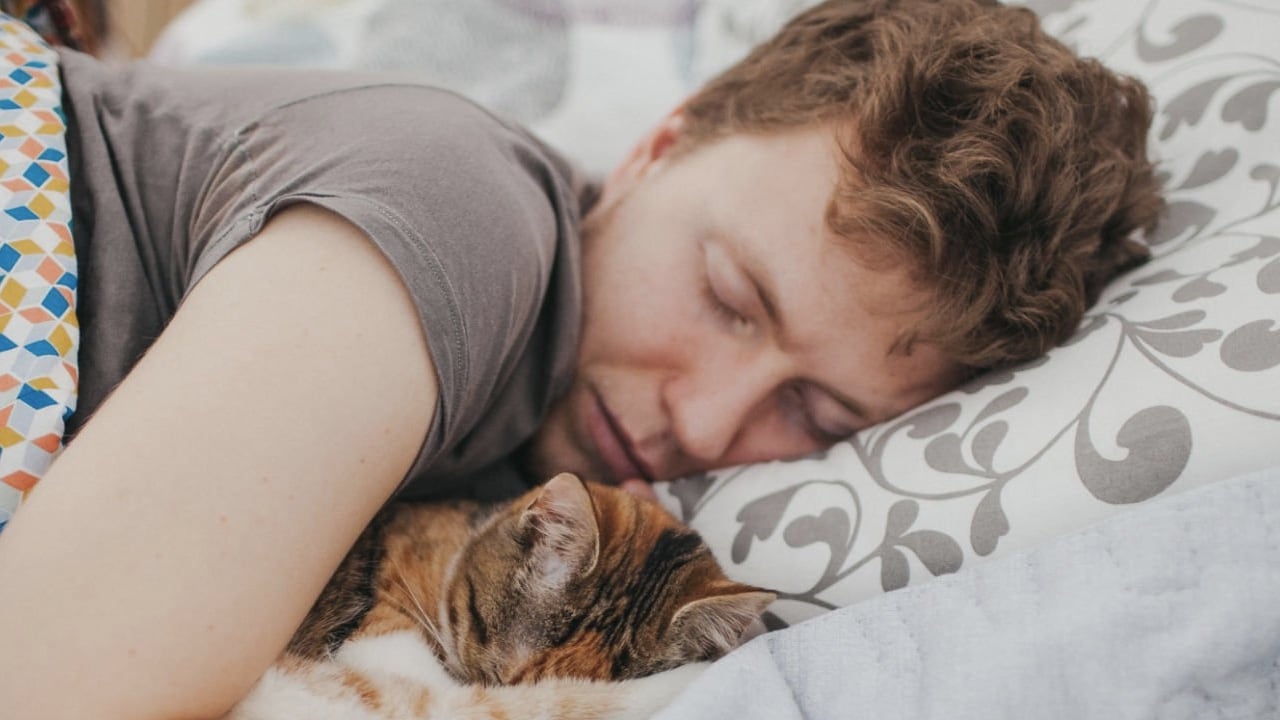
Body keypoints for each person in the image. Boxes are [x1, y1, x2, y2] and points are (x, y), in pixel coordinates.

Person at [0, 0, 1162, 718]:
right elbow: (47, 686)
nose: (705, 426)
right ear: (663, 143)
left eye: (815, 413)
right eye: (726, 298)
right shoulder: (465, 216)